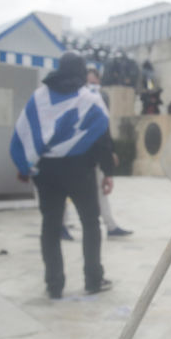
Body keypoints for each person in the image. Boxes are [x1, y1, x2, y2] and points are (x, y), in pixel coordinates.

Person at [10, 52, 114, 299]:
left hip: (47, 172)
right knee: (90, 223)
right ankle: (93, 279)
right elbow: (102, 138)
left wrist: (24, 168)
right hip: (81, 171)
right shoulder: (90, 99)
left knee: (50, 226)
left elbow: (26, 132)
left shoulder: (39, 97)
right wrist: (108, 172)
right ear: (80, 71)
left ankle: (54, 284)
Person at [62, 68, 133, 239]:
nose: (91, 87)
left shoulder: (101, 98)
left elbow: (104, 130)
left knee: (100, 190)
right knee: (65, 190)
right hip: (75, 156)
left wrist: (110, 153)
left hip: (95, 155)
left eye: (94, 83)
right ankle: (61, 224)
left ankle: (110, 226)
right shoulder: (74, 100)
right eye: (89, 83)